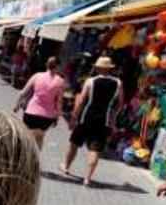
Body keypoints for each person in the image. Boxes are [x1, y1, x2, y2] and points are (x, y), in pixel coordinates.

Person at [61, 56, 124, 187]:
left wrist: (73, 118)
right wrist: (113, 115)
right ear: (110, 69)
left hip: (86, 117)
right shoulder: (118, 83)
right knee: (95, 150)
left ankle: (66, 166)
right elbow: (120, 103)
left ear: (98, 68)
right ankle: (87, 178)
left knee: (74, 143)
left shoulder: (90, 81)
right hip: (104, 120)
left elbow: (82, 100)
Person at [14, 57, 66, 149]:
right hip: (47, 116)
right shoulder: (60, 82)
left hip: (31, 112)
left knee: (27, 136)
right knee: (39, 138)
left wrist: (17, 105)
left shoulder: (37, 76)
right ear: (58, 67)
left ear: (47, 64)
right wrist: (58, 116)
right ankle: (35, 159)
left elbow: (23, 92)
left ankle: (23, 156)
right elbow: (59, 101)